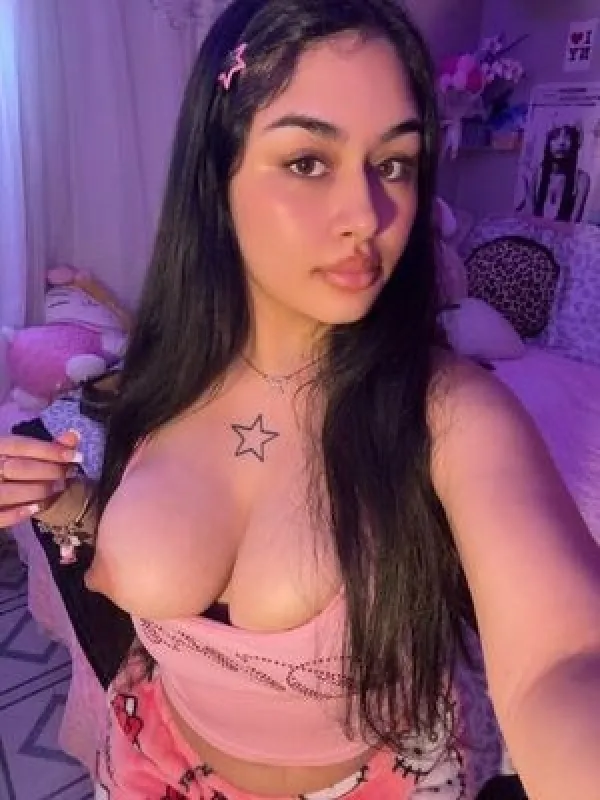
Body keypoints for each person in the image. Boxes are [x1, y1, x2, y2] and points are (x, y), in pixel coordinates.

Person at [1, 1, 600, 798]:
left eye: (394, 164)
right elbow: (141, 537)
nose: (368, 216)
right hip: (149, 764)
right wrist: (60, 500)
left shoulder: (454, 412)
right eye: (309, 161)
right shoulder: (167, 368)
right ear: (217, 174)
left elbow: (564, 661)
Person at [516, 122, 591, 222]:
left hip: (564, 231)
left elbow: (574, 221)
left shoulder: (581, 179)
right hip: (536, 229)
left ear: (575, 145)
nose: (561, 143)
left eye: (567, 138)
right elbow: (530, 215)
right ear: (548, 143)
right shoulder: (538, 174)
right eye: (555, 137)